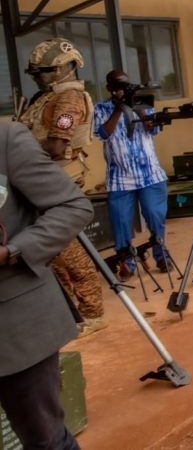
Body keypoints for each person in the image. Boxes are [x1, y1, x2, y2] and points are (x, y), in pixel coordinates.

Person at [0, 121, 93, 450]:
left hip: (14, 324)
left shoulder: (5, 139)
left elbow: (73, 205)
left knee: (45, 440)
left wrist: (12, 251)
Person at [18, 38, 106, 336]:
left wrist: (17, 152)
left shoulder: (68, 100)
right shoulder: (47, 97)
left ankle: (93, 312)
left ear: (64, 68)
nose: (38, 76)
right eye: (35, 72)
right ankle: (72, 311)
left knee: (65, 248)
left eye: (43, 71)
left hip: (57, 182)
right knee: (51, 252)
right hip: (41, 181)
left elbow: (57, 145)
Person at [92, 70, 171, 277]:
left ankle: (161, 255)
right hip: (120, 179)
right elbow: (102, 133)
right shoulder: (101, 108)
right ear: (109, 89)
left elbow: (153, 129)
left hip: (150, 175)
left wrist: (138, 107)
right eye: (117, 87)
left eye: (125, 86)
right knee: (121, 223)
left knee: (155, 216)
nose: (121, 90)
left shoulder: (143, 103)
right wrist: (118, 108)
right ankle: (127, 262)